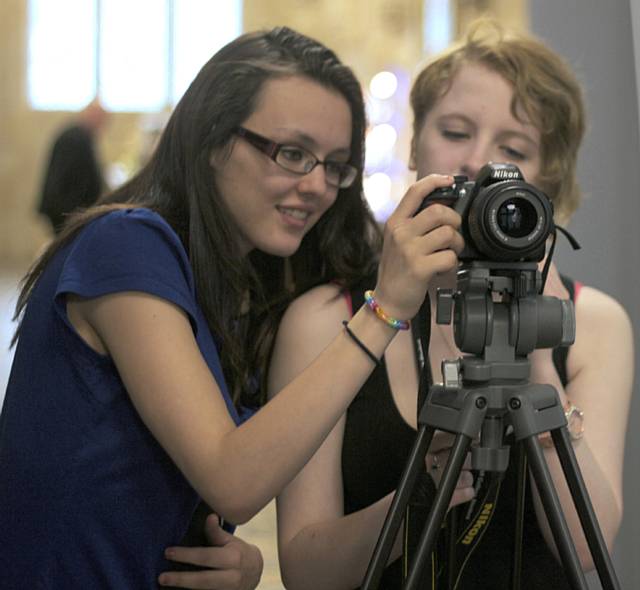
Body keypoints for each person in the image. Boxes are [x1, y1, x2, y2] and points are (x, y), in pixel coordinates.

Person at [0, 27, 464, 590]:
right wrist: (385, 308)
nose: (318, 185)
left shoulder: (240, 288)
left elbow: (194, 496)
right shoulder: (124, 245)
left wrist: (239, 561)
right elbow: (232, 476)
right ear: (214, 138)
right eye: (292, 154)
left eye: (335, 164)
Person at [271, 19, 634, 590]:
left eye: (513, 149)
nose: (479, 166)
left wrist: (537, 353)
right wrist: (418, 493)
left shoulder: (594, 324)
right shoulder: (327, 318)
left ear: (548, 184)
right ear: (415, 146)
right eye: (456, 132)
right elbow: (307, 573)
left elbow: (587, 550)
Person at [37, 98, 109, 233]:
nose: (102, 126)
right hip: (67, 211)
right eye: (101, 120)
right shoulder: (75, 138)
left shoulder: (80, 135)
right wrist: (77, 212)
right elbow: (73, 179)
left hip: (69, 210)